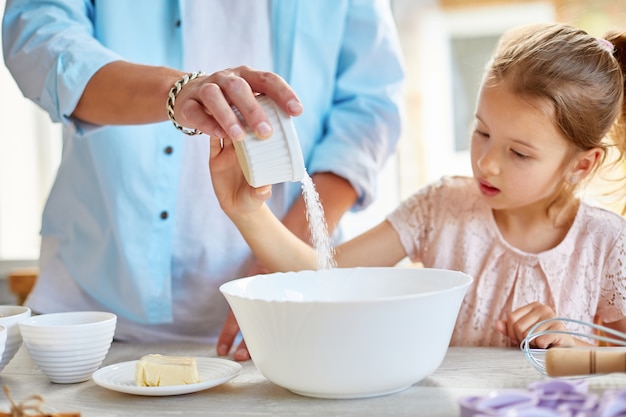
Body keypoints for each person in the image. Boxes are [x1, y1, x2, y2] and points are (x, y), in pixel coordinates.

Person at [1, 0, 404, 360]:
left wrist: (279, 262)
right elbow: (37, 33)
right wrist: (175, 92)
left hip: (286, 320)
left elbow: (369, 106)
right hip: (93, 318)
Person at [210, 22, 626, 349]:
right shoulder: (441, 207)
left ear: (581, 165)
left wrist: (575, 346)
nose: (485, 163)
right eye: (481, 132)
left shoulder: (606, 242)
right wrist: (246, 210)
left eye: (518, 153)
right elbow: (325, 275)